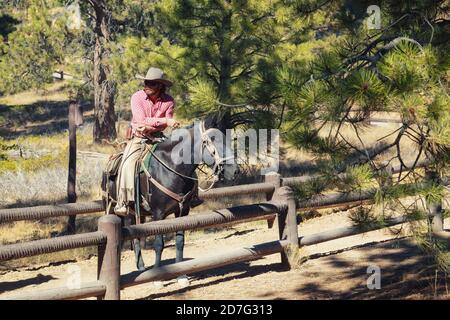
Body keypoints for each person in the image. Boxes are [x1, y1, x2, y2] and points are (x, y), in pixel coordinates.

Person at [114, 67, 180, 216]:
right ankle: (124, 202)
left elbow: (160, 125)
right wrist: (164, 121)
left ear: (160, 86)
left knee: (180, 158)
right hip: (139, 138)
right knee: (128, 164)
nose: (146, 85)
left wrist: (151, 126)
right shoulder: (137, 97)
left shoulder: (168, 101)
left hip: (158, 137)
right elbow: (141, 120)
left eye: (151, 83)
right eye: (146, 82)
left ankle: (189, 194)